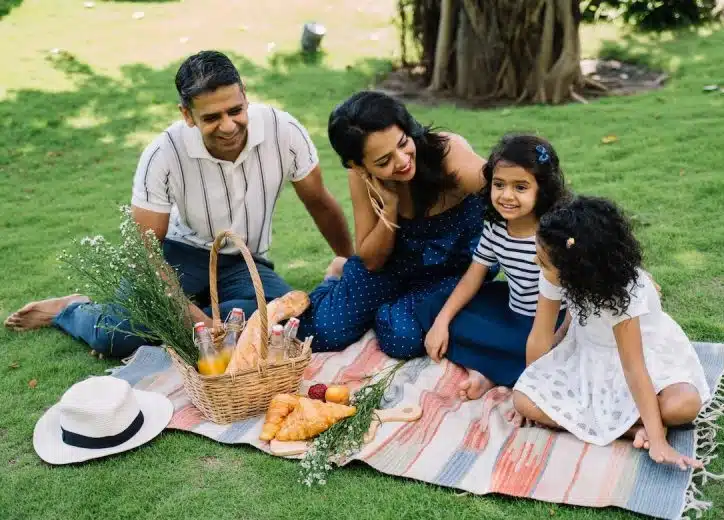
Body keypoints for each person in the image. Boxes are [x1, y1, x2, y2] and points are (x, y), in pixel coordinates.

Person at [4, 50, 353, 358]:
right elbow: (146, 255)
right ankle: (72, 309)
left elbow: (320, 202)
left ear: (245, 96)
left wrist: (351, 264)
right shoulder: (162, 154)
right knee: (115, 338)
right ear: (188, 115)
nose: (229, 126)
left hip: (244, 260)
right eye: (212, 117)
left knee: (286, 322)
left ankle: (182, 315)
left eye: (235, 110)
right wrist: (195, 320)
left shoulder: (284, 130)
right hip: (176, 255)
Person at [512, 195, 711, 471]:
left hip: (640, 358)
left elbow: (634, 367)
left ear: (576, 268)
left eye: (544, 261)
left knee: (685, 404)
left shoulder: (624, 292)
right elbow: (540, 335)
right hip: (589, 354)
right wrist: (537, 384)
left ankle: (645, 426)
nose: (536, 262)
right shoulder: (551, 271)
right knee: (522, 399)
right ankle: (630, 431)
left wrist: (657, 440)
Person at [297, 90, 491, 358]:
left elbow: (511, 194)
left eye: (402, 143)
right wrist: (389, 209)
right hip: (394, 266)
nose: (401, 161)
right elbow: (371, 260)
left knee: (401, 339)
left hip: (454, 268)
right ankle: (337, 278)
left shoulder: (447, 154)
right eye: (383, 161)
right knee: (321, 332)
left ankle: (386, 304)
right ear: (359, 165)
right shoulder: (361, 177)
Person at [418, 134, 570, 400]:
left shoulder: (557, 233)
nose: (506, 196)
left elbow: (591, 282)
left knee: (542, 354)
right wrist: (441, 322)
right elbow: (473, 276)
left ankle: (487, 372)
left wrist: (557, 339)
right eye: (499, 185)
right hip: (511, 310)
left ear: (542, 189)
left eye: (520, 187)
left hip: (551, 326)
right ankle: (496, 368)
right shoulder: (495, 226)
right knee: (433, 308)